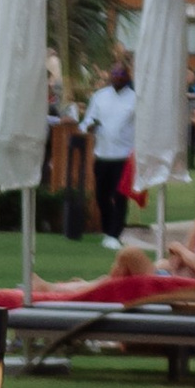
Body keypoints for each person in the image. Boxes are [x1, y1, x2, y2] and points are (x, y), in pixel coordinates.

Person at [80, 53, 138, 245]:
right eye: (114, 73)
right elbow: (87, 120)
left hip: (123, 156)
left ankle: (115, 233)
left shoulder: (135, 99)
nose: (117, 77)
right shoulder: (100, 97)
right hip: (103, 154)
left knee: (120, 196)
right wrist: (89, 126)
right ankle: (107, 229)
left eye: (121, 74)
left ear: (127, 77)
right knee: (101, 195)